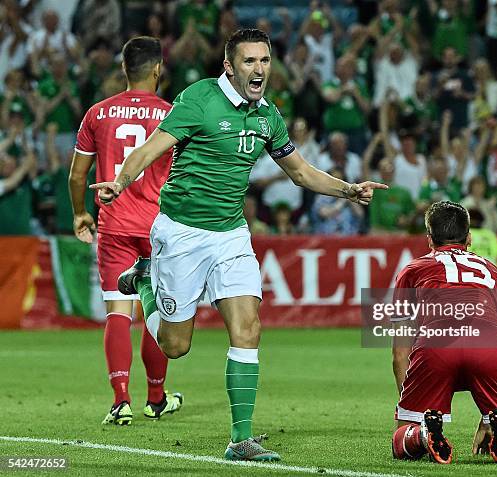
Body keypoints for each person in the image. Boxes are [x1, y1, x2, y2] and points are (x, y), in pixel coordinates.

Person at [90, 29, 387, 461]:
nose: (259, 69)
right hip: (181, 234)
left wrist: (348, 190)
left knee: (248, 329)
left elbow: (301, 173)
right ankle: (147, 280)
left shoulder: (268, 116)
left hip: (231, 234)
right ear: (229, 65)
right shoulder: (199, 98)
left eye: (264, 61)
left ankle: (240, 439)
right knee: (176, 346)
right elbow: (151, 149)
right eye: (249, 61)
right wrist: (120, 181)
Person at [69, 37, 182, 426]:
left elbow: (77, 175)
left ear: (123, 69)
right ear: (158, 69)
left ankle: (121, 400)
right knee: (156, 308)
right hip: (158, 227)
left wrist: (81, 213)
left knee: (119, 310)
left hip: (114, 223)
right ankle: (156, 397)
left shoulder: (97, 114)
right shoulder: (173, 114)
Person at [391, 201, 497, 464]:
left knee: (402, 439)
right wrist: (490, 416)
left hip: (436, 348)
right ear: (469, 238)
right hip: (490, 347)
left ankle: (422, 435)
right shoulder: (494, 272)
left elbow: (400, 352)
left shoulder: (411, 271)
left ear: (429, 239)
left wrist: (409, 410)